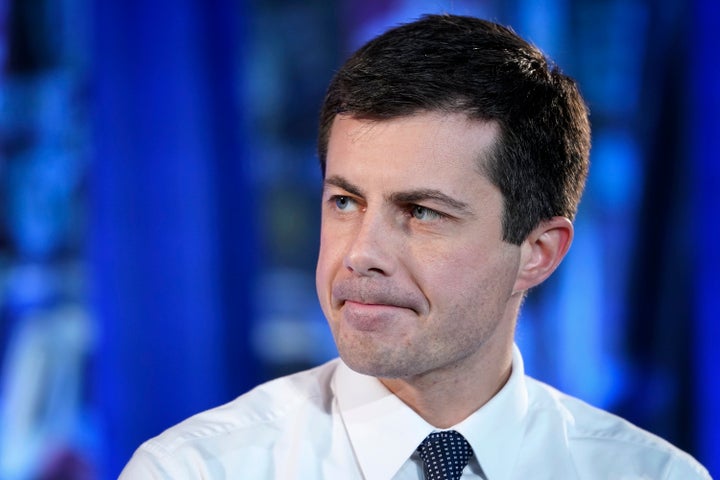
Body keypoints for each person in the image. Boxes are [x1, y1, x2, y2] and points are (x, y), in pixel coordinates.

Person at [120, 14, 711, 479]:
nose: (360, 253)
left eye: (421, 212)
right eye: (345, 202)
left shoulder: (650, 474)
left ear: (538, 252)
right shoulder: (193, 469)